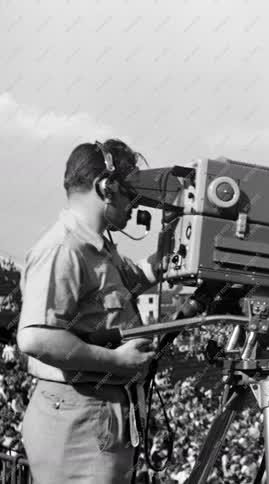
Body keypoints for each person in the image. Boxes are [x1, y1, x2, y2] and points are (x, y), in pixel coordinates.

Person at [17, 139, 165, 484]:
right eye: (132, 193)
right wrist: (116, 361)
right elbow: (35, 337)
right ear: (106, 187)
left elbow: (133, 280)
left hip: (95, 412)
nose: (135, 206)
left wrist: (171, 252)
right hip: (77, 419)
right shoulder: (64, 249)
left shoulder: (99, 248)